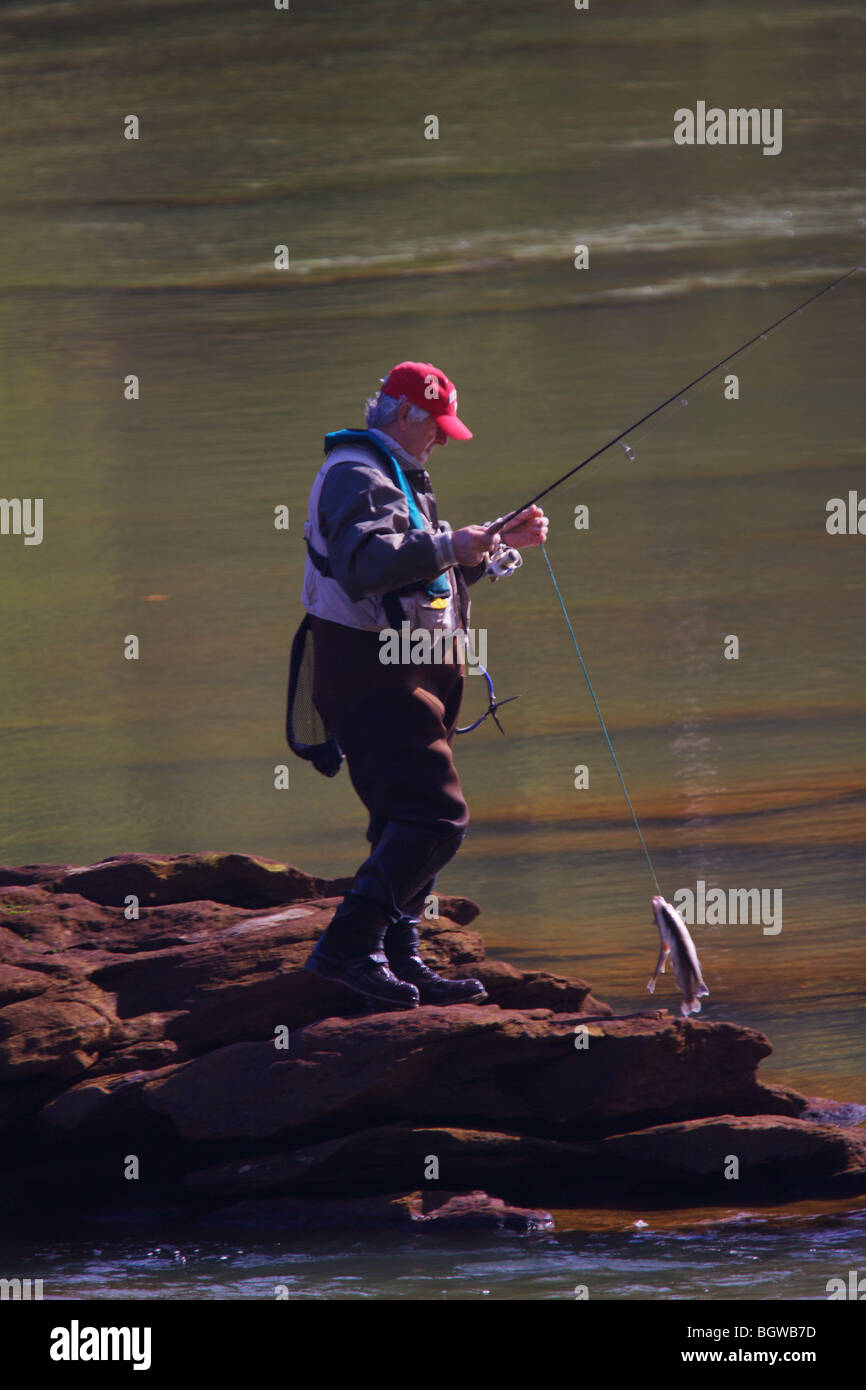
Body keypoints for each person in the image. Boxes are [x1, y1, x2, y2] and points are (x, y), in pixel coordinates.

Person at [301, 360, 548, 1009]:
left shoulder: (393, 474)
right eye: (435, 426)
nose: (441, 439)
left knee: (398, 818)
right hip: (372, 675)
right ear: (404, 415)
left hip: (401, 666)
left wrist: (488, 547)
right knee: (436, 817)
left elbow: (416, 584)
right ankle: (346, 949)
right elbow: (366, 567)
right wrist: (449, 545)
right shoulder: (356, 472)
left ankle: (400, 955)